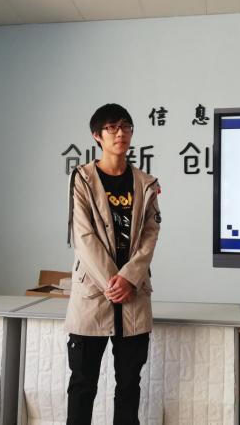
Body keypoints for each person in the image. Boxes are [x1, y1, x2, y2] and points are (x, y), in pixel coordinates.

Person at [65, 103, 161, 425]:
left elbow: (150, 233)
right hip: (94, 294)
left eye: (125, 127)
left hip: (134, 294)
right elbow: (82, 236)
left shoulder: (146, 183)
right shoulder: (82, 178)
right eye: (111, 127)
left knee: (129, 385)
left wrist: (129, 278)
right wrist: (113, 282)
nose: (120, 133)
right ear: (97, 135)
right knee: (82, 385)